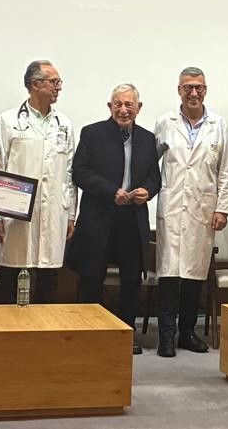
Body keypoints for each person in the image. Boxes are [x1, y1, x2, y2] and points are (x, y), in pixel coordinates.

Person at [70, 84, 162, 355]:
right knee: (91, 276)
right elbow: (79, 172)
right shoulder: (92, 133)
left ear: (138, 108)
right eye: (118, 104)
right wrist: (112, 192)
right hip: (98, 219)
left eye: (129, 104)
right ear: (109, 107)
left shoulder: (148, 139)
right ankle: (90, 332)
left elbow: (154, 178)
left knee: (132, 279)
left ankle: (126, 333)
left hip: (132, 219)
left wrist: (148, 191)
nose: (123, 110)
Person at [153, 67, 228, 357]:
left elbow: (225, 170)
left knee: (193, 274)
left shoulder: (218, 124)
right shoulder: (165, 123)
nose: (194, 93)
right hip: (172, 206)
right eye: (188, 87)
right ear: (179, 90)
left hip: (203, 208)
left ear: (205, 90)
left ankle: (187, 332)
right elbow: (150, 166)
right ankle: (166, 335)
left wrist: (223, 208)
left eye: (199, 87)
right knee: (169, 273)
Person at [0, 60, 76, 304]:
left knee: (48, 278)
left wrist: (70, 214)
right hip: (15, 211)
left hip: (54, 212)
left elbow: (69, 172)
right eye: (54, 82)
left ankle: (43, 327)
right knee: (10, 274)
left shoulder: (64, 124)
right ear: (35, 84)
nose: (59, 87)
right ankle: (2, 326)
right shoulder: (8, 120)